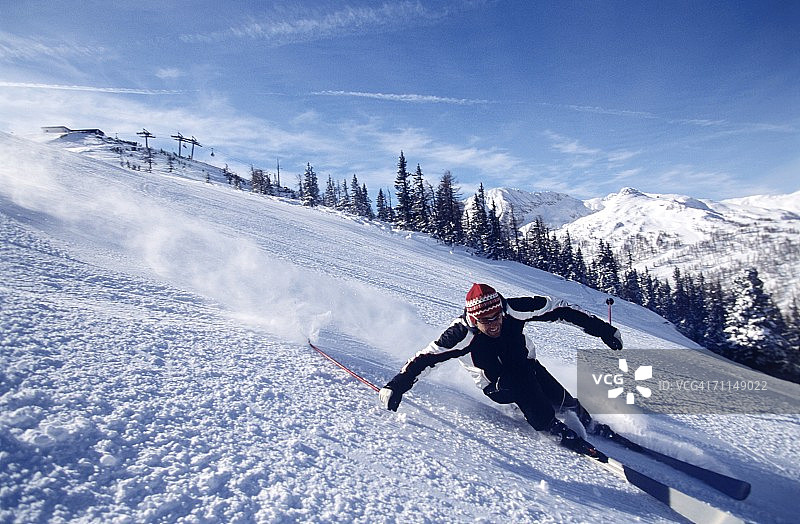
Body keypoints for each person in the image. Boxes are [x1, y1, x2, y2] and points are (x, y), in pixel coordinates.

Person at [379, 283, 623, 456]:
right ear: (474, 319)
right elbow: (425, 359)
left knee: (559, 397)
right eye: (486, 321)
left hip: (526, 365)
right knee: (523, 386)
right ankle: (551, 428)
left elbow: (561, 309)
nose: (495, 324)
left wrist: (604, 331)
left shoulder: (512, 309)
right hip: (498, 385)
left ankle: (585, 420)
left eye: (497, 317)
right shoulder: (461, 335)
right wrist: (395, 386)